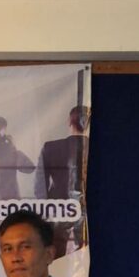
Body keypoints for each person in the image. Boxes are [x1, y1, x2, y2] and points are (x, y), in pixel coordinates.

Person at [35, 105, 90, 255]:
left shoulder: (51, 147)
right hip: (86, 209)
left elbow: (40, 184)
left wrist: (45, 209)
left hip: (57, 208)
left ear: (69, 122)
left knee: (55, 254)